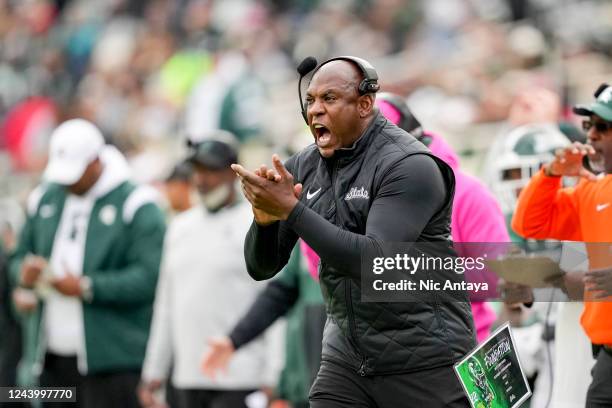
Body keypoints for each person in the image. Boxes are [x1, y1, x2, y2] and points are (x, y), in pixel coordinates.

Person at [232, 57, 475, 407]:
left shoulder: (410, 165)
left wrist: (291, 209)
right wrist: (265, 220)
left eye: (329, 98)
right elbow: (261, 267)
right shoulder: (304, 165)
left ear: (364, 104)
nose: (315, 110)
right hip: (347, 357)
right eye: (311, 100)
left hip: (423, 357)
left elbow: (374, 263)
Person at [8, 119, 166, 408]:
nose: (69, 182)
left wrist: (87, 287)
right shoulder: (46, 196)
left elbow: (149, 277)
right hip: (51, 359)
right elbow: (17, 257)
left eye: (76, 173)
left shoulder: (137, 203)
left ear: (96, 162)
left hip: (113, 361)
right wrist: (24, 273)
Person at [139, 134, 282, 408]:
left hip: (240, 378)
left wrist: (273, 373)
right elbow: (166, 305)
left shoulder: (256, 224)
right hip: (187, 378)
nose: (201, 180)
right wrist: (154, 371)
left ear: (233, 173)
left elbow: (274, 301)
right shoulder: (180, 227)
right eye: (197, 171)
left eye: (210, 171)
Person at [375, 92, 508, 342]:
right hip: (386, 352)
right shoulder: (363, 194)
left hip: (462, 347)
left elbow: (494, 273)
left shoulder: (468, 192)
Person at [511, 82, 612, 407]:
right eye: (590, 126)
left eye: (604, 127)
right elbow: (530, 223)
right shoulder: (594, 191)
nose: (592, 135)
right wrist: (551, 174)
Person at [201, 241, 325, 408]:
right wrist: (235, 339)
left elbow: (372, 299)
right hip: (307, 389)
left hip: (353, 389)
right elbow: (280, 293)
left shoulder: (371, 228)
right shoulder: (308, 230)